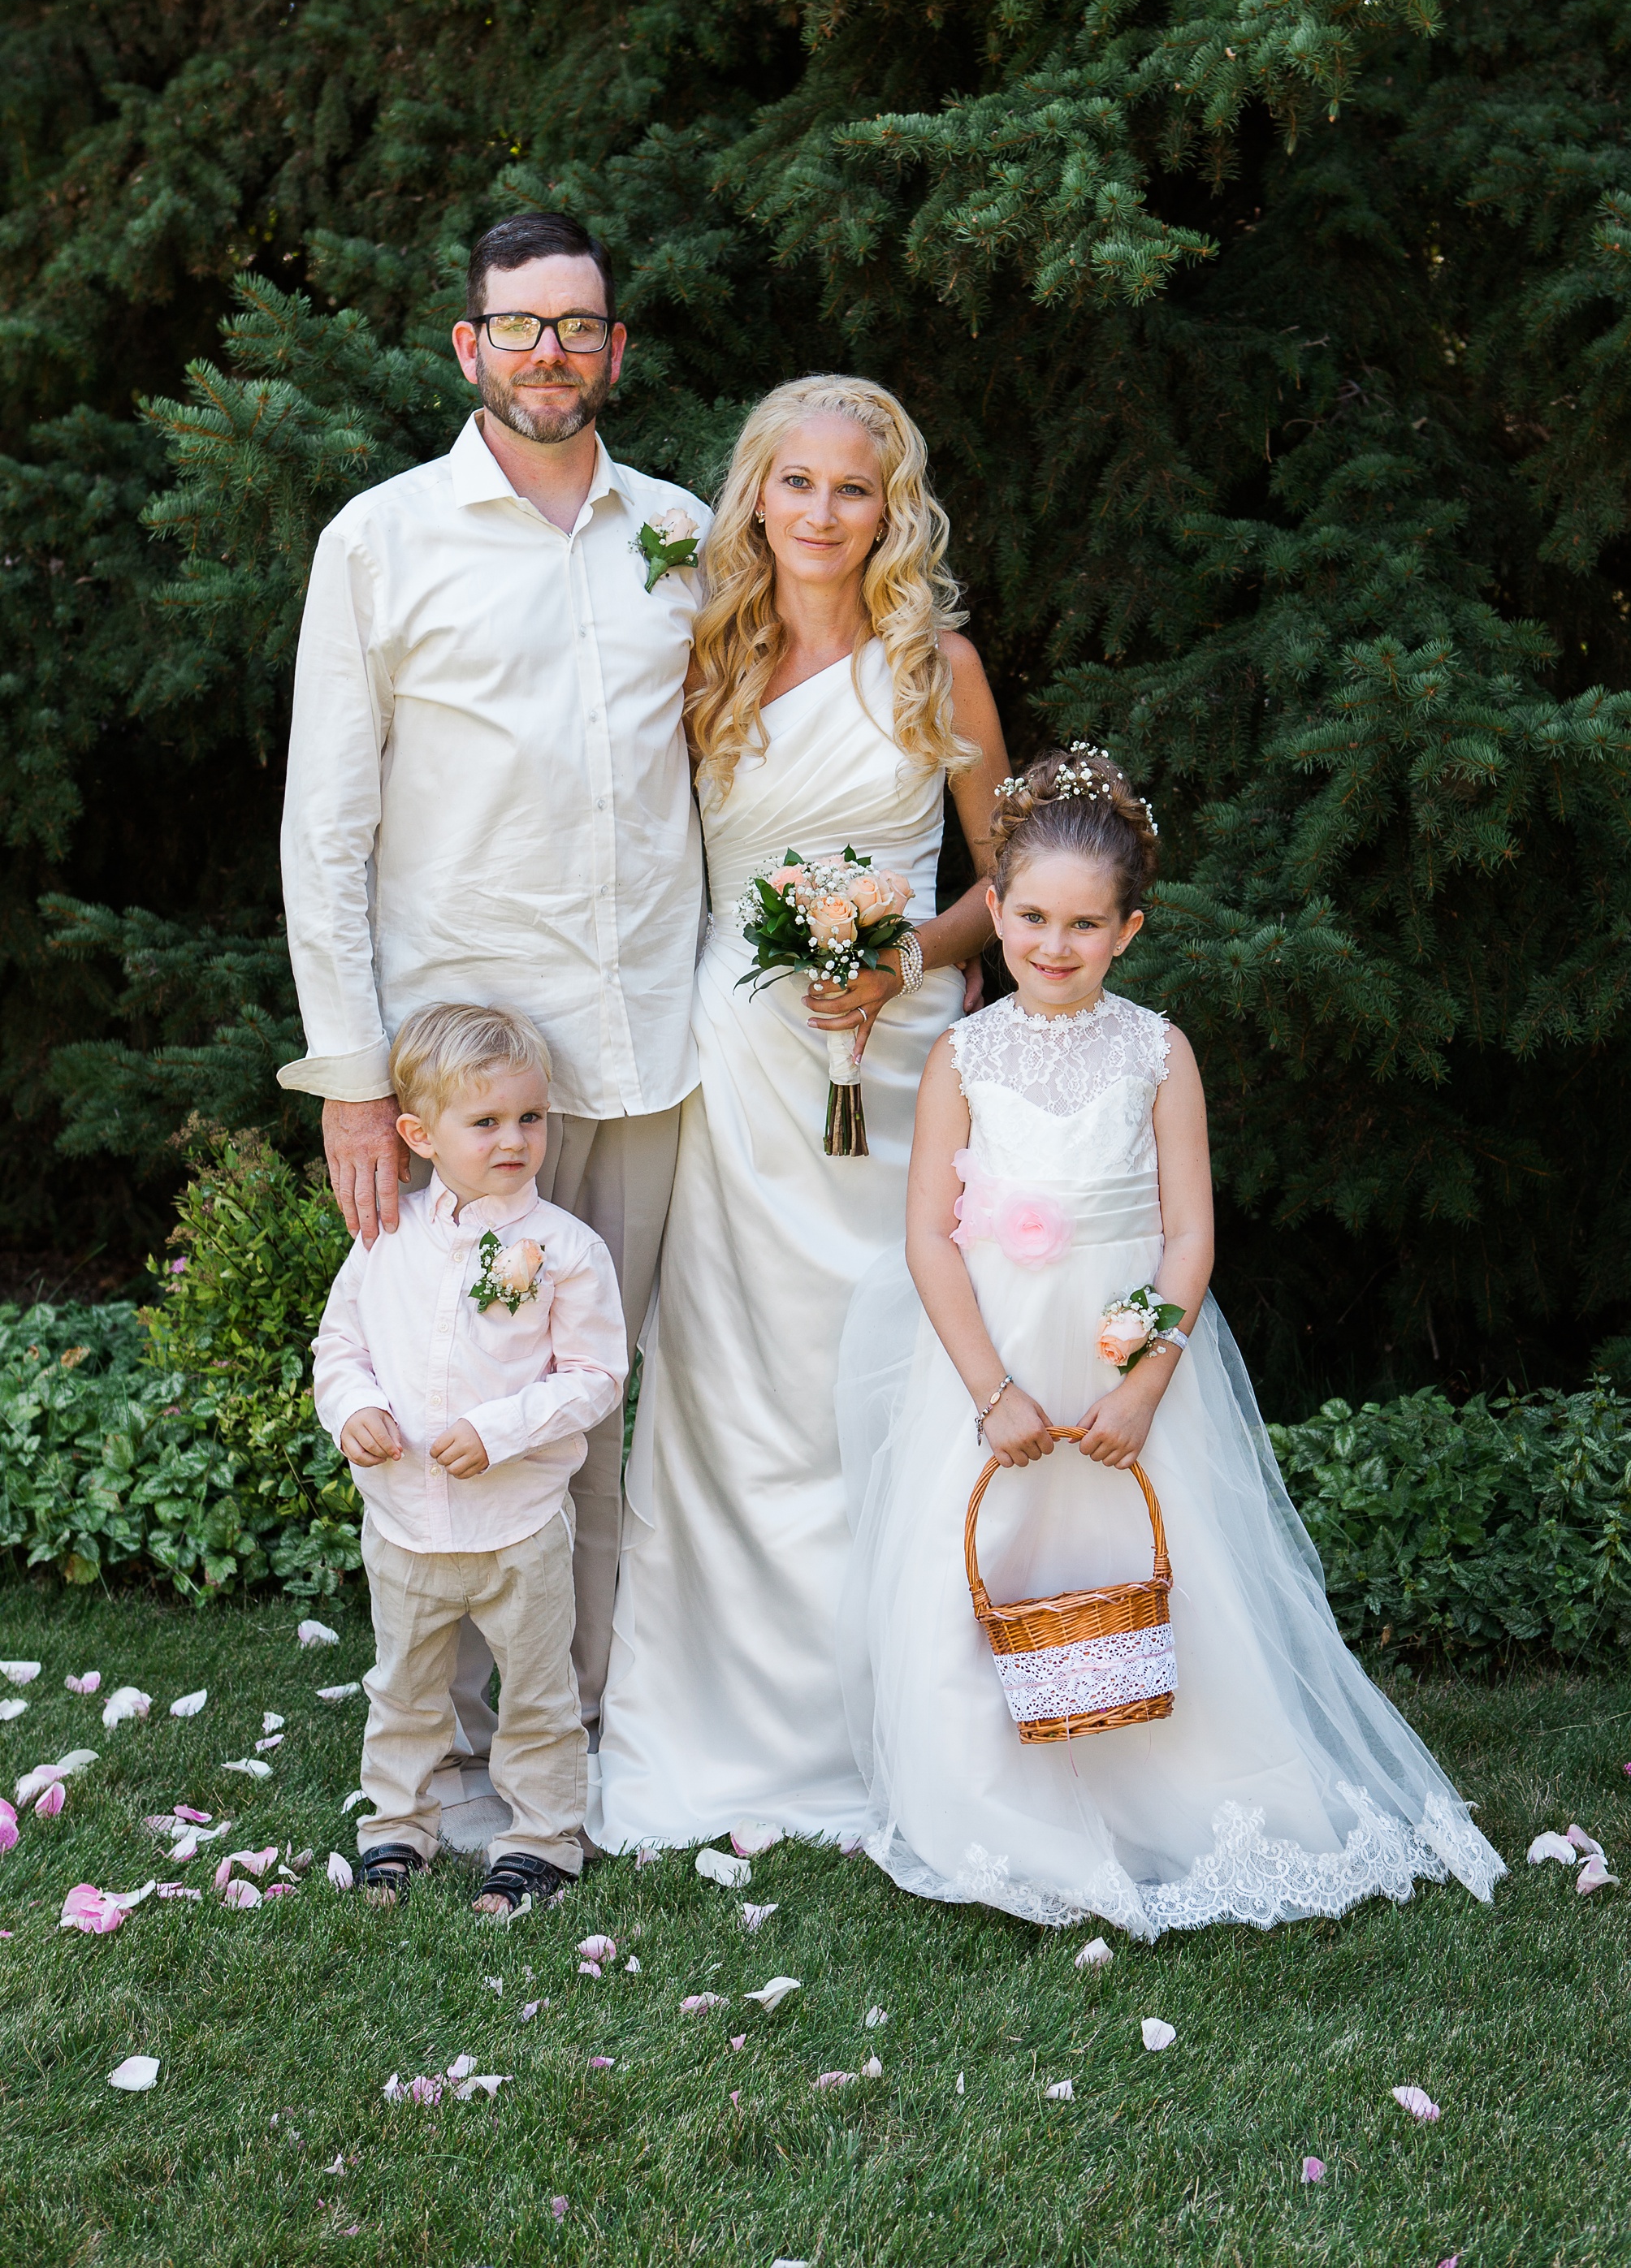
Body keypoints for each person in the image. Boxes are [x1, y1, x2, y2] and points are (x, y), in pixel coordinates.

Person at [837, 747, 1508, 1934]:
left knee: (1151, 1563)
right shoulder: (962, 1056)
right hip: (992, 1358)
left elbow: (1190, 1238)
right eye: (1032, 917)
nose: (1054, 945)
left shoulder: (1158, 1052)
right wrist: (988, 1389)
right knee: (983, 1566)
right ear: (992, 912)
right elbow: (932, 1241)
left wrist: (1149, 1383)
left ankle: (1177, 1790)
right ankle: (1001, 1806)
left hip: (1118, 1353)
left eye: (1084, 926)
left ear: (1128, 931)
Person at [279, 212, 707, 1775]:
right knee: (446, 1395)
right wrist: (349, 1076)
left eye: (577, 326)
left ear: (615, 347)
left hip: (653, 1053)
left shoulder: (685, 532)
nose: (550, 352)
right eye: (519, 325)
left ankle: (583, 1724)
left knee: (599, 1409)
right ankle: (444, 1740)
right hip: (456, 1086)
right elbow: (324, 826)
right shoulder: (380, 540)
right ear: (469, 346)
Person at [594, 374, 1010, 1851]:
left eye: (856, 489)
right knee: (733, 1392)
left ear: (890, 509)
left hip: (899, 1072)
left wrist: (904, 953)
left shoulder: (934, 668)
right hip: (743, 1069)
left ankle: (921, 1713)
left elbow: (1008, 884)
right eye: (797, 484)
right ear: (754, 493)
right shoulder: (701, 657)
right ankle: (723, 1726)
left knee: (889, 1382)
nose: (824, 515)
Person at [313, 1003, 626, 1914]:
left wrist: (502, 1430)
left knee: (537, 1692)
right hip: (405, 1520)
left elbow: (595, 1375)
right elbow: (340, 1351)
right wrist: (356, 1409)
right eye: (484, 1122)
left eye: (529, 1118)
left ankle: (539, 1841)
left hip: (516, 1523)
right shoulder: (384, 1241)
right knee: (405, 1689)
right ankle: (396, 1827)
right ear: (418, 1134)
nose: (514, 1140)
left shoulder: (565, 1250)